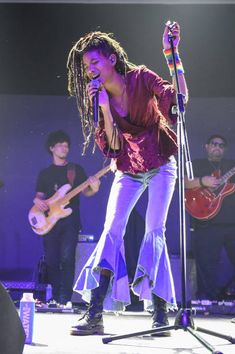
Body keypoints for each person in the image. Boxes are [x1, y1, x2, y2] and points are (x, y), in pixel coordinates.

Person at [67, 21, 188, 335]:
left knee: (154, 229)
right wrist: (105, 110)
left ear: (110, 59)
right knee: (111, 230)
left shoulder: (141, 78)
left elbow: (179, 100)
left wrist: (171, 53)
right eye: (85, 65)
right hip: (128, 169)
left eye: (94, 61)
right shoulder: (99, 98)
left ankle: (159, 313)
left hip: (161, 162)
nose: (89, 68)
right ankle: (94, 313)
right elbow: (115, 146)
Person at [33, 130, 100, 306]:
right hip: (49, 222)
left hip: (71, 222)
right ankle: (55, 297)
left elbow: (87, 192)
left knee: (67, 258)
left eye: (66, 145)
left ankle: (65, 299)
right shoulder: (45, 173)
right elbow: (39, 197)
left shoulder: (75, 170)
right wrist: (36, 201)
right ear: (52, 148)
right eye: (61, 145)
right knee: (52, 259)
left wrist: (95, 187)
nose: (64, 148)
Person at [185, 134, 235, 300]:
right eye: (214, 144)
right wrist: (202, 181)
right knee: (206, 266)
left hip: (231, 224)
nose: (217, 147)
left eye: (221, 145)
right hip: (206, 224)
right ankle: (207, 302)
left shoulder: (230, 165)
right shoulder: (196, 164)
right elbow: (183, 182)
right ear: (206, 146)